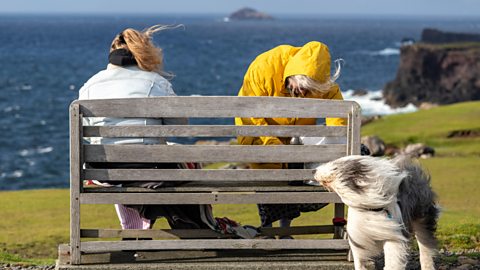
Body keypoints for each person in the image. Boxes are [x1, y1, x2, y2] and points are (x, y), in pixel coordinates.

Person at [78, 25, 191, 231]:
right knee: (183, 163)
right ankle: (195, 225)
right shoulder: (157, 82)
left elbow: (86, 129)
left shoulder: (90, 86)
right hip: (148, 169)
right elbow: (179, 127)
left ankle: (133, 229)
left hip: (105, 172)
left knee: (121, 168)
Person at [235, 41, 347, 238]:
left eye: (309, 90)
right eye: (300, 87)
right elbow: (251, 117)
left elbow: (337, 114)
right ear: (293, 74)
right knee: (269, 172)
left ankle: (284, 228)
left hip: (297, 142)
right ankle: (270, 228)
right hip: (261, 136)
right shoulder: (264, 66)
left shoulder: (319, 79)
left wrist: (335, 145)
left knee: (303, 170)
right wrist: (276, 148)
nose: (302, 93)